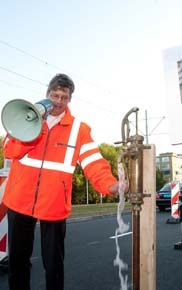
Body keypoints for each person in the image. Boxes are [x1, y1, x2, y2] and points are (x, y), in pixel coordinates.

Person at [2, 73, 120, 290]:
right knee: (18, 262)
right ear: (46, 94)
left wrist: (110, 185)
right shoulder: (26, 116)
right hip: (19, 200)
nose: (58, 101)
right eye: (54, 95)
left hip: (53, 203)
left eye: (63, 97)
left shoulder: (79, 129)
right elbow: (10, 151)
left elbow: (93, 162)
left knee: (54, 264)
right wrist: (33, 130)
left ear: (70, 100)